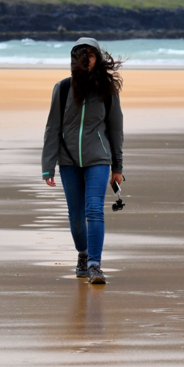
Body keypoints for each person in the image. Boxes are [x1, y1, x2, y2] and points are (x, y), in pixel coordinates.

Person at [41, 37, 124, 284]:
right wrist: (48, 165)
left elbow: (115, 130)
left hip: (98, 158)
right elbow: (52, 128)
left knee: (94, 209)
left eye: (91, 54)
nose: (86, 59)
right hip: (68, 161)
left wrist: (117, 167)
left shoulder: (107, 91)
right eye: (81, 54)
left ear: (97, 58)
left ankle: (95, 266)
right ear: (74, 59)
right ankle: (83, 254)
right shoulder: (63, 88)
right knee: (76, 217)